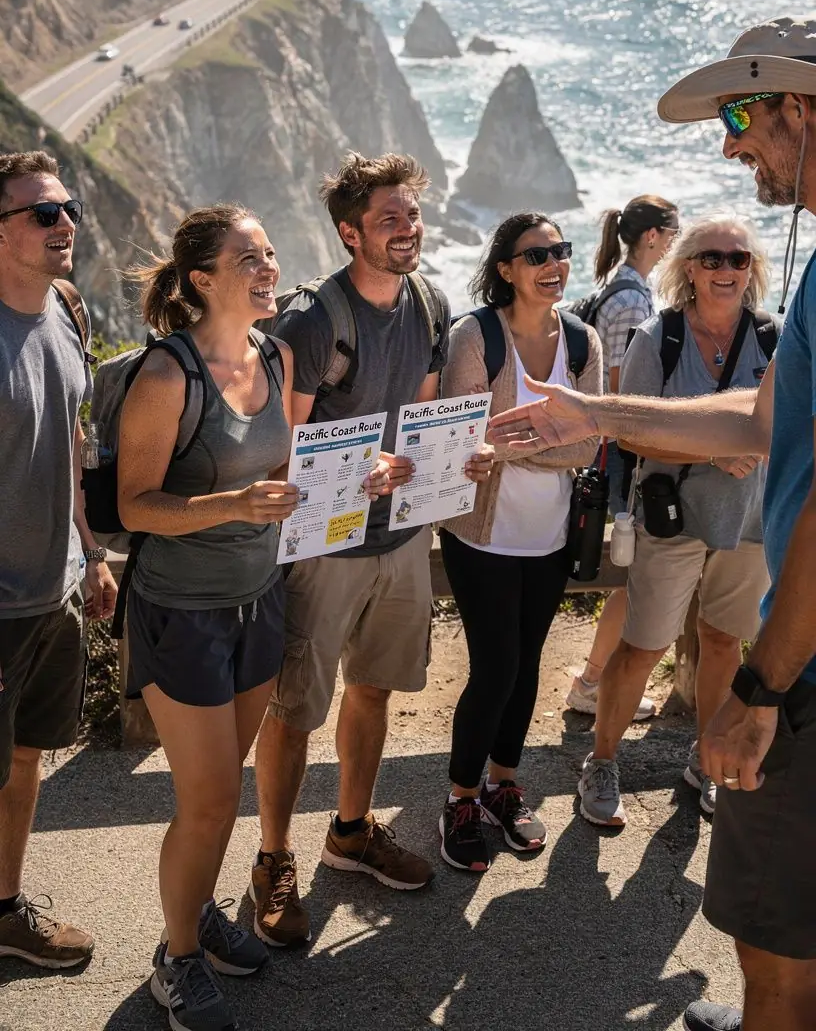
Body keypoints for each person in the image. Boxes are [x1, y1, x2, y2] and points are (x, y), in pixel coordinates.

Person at [488, 17, 816, 1031]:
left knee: (778, 955)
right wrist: (601, 414)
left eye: (741, 117)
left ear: (799, 108)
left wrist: (760, 686)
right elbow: (769, 420)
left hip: (805, 677)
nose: (731, 146)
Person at [252, 152, 491, 945]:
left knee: (376, 690)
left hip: (399, 537)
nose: (408, 230)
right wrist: (367, 468)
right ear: (350, 232)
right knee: (294, 712)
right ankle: (273, 858)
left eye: (413, 216)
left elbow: (417, 422)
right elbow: (283, 449)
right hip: (323, 548)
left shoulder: (429, 302)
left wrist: (456, 454)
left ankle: (350, 831)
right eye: (389, 219)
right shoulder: (312, 322)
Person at [118, 205, 308, 1031]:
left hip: (258, 600)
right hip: (180, 612)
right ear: (202, 280)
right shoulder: (169, 376)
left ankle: (193, 913)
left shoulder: (278, 352)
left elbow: (289, 468)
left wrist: (363, 471)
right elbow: (135, 506)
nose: (268, 268)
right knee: (205, 802)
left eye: (269, 254)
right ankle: (176, 958)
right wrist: (231, 502)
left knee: (222, 794)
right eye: (248, 259)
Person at [578, 215, 774, 827]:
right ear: (688, 267)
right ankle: (602, 762)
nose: (725, 270)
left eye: (738, 260)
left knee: (722, 643)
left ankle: (705, 761)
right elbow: (632, 433)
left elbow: (785, 425)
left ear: (752, 270)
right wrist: (714, 451)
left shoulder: (774, 337)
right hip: (675, 518)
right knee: (643, 647)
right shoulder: (657, 338)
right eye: (711, 258)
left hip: (749, 523)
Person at [437, 212, 601, 872]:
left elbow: (592, 440)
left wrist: (509, 447)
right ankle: (460, 799)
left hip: (549, 537)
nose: (554, 264)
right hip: (483, 536)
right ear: (505, 267)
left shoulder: (583, 340)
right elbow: (459, 438)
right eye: (537, 254)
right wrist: (547, 443)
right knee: (496, 666)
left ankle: (504, 784)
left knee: (528, 663)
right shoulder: (475, 335)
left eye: (561, 251)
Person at [0, 150, 117, 969]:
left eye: (66, 207)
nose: (64, 222)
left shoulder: (67, 311)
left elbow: (72, 442)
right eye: (43, 213)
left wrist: (93, 552)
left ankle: (5, 909)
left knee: (26, 758)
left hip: (56, 589)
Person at [567, 195, 679, 721]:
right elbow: (626, 387)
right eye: (673, 232)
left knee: (633, 574)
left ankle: (594, 679)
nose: (676, 242)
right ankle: (593, 682)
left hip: (602, 446)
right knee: (635, 575)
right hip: (620, 452)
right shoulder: (634, 300)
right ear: (653, 235)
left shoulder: (615, 283)